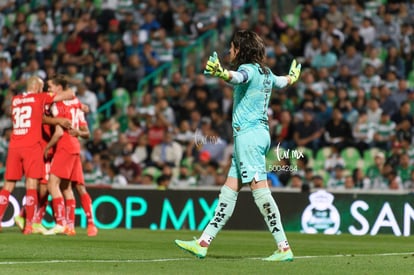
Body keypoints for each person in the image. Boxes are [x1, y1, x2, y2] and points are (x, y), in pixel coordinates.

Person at [175, 30, 301, 262]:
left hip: (249, 137)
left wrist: (222, 73)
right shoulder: (266, 71)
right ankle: (203, 243)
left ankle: (284, 247)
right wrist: (293, 78)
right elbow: (283, 82)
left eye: (232, 47)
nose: (230, 51)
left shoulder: (250, 70)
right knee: (229, 191)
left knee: (260, 192)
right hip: (258, 135)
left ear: (241, 49)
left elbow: (237, 77)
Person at [0, 76, 74, 234]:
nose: (44, 89)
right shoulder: (39, 98)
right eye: (42, 87)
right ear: (38, 87)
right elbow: (70, 95)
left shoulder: (15, 100)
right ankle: (29, 225)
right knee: (32, 185)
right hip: (31, 146)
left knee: (7, 186)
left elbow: (35, 117)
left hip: (14, 145)